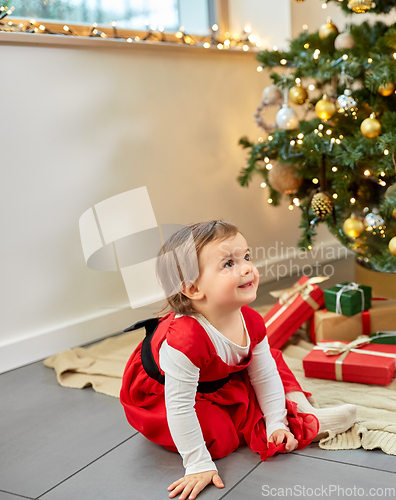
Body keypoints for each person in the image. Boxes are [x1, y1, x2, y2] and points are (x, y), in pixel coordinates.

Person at [120, 220, 357, 500]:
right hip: (171, 393)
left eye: (246, 257)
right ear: (193, 288)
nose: (247, 268)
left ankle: (300, 410)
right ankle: (296, 419)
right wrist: (197, 463)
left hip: (220, 375)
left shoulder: (251, 321)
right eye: (229, 264)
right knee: (219, 435)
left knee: (272, 361)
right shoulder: (185, 341)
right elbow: (179, 407)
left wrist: (276, 423)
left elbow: (264, 375)